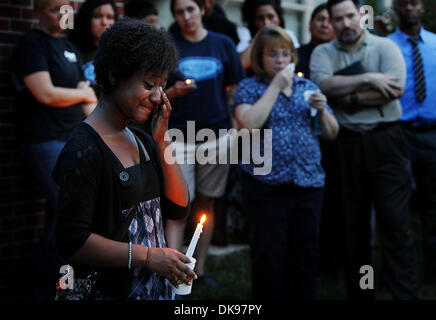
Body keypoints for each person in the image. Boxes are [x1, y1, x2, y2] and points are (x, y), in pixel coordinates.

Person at [54, 19, 196, 300]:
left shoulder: (142, 140)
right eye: (148, 84)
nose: (158, 96)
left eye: (163, 85)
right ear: (115, 74)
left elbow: (178, 209)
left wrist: (161, 140)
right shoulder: (84, 150)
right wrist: (146, 257)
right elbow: (72, 240)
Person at [310, 0, 419, 299]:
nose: (345, 23)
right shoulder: (323, 52)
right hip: (346, 146)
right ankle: (363, 293)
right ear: (331, 22)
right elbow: (323, 85)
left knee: (396, 226)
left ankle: (405, 294)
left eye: (349, 16)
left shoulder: (385, 48)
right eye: (338, 19)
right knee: (353, 231)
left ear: (361, 16)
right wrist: (371, 79)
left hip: (387, 141)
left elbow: (395, 89)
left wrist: (350, 98)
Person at [232, 25, 339, 300]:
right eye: (272, 55)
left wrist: (322, 111)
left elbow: (332, 133)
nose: (281, 60)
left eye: (286, 54)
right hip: (266, 187)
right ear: (259, 59)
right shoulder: (249, 87)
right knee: (269, 256)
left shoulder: (308, 87)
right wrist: (276, 87)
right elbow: (249, 123)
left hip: (308, 184)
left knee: (305, 254)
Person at [11, 0, 98, 300]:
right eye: (54, 8)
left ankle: (61, 285)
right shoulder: (31, 44)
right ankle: (45, 287)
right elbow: (45, 93)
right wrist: (82, 93)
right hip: (45, 141)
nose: (63, 15)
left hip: (73, 139)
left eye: (67, 8)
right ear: (36, 11)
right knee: (70, 210)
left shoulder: (69, 48)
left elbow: (86, 98)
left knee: (62, 213)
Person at [164, 0, 245, 289]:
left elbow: (234, 89)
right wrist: (174, 91)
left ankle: (200, 269)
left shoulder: (222, 44)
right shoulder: (168, 45)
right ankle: (172, 271)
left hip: (217, 135)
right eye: (179, 11)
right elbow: (156, 92)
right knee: (177, 205)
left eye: (191, 9)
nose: (186, 16)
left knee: (207, 202)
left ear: (202, 10)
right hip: (178, 136)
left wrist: (234, 129)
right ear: (174, 15)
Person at [388, 0, 436, 284]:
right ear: (395, 7)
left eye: (414, 3)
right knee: (397, 206)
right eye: (403, 3)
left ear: (422, 7)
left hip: (432, 134)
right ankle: (396, 273)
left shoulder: (435, 44)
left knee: (433, 206)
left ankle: (432, 272)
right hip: (398, 133)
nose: (409, 8)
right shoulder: (385, 47)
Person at [238, 0, 300, 71]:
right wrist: (258, 38)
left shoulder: (289, 35)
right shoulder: (246, 37)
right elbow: (240, 67)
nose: (266, 23)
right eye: (260, 18)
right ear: (254, 22)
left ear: (279, 18)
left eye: (270, 17)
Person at [69, 0, 118, 89]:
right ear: (86, 18)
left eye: (110, 17)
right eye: (97, 16)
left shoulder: (118, 52)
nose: (104, 22)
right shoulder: (71, 50)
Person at [296, 3, 335, 79]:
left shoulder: (343, 57)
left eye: (330, 21)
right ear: (310, 24)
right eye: (320, 19)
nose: (325, 25)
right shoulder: (295, 56)